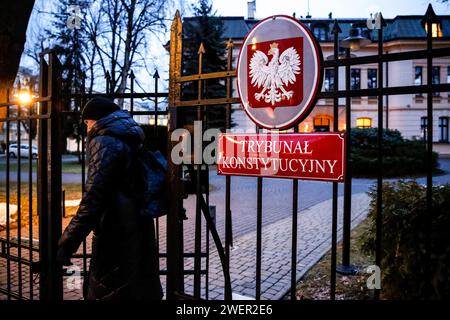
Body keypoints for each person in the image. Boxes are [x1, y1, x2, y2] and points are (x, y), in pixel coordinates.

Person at [57, 97, 163, 300]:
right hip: (138, 225)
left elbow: (94, 197)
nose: (87, 128)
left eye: (87, 123)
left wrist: (67, 242)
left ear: (96, 120)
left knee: (109, 290)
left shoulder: (104, 141)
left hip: (115, 232)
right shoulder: (129, 137)